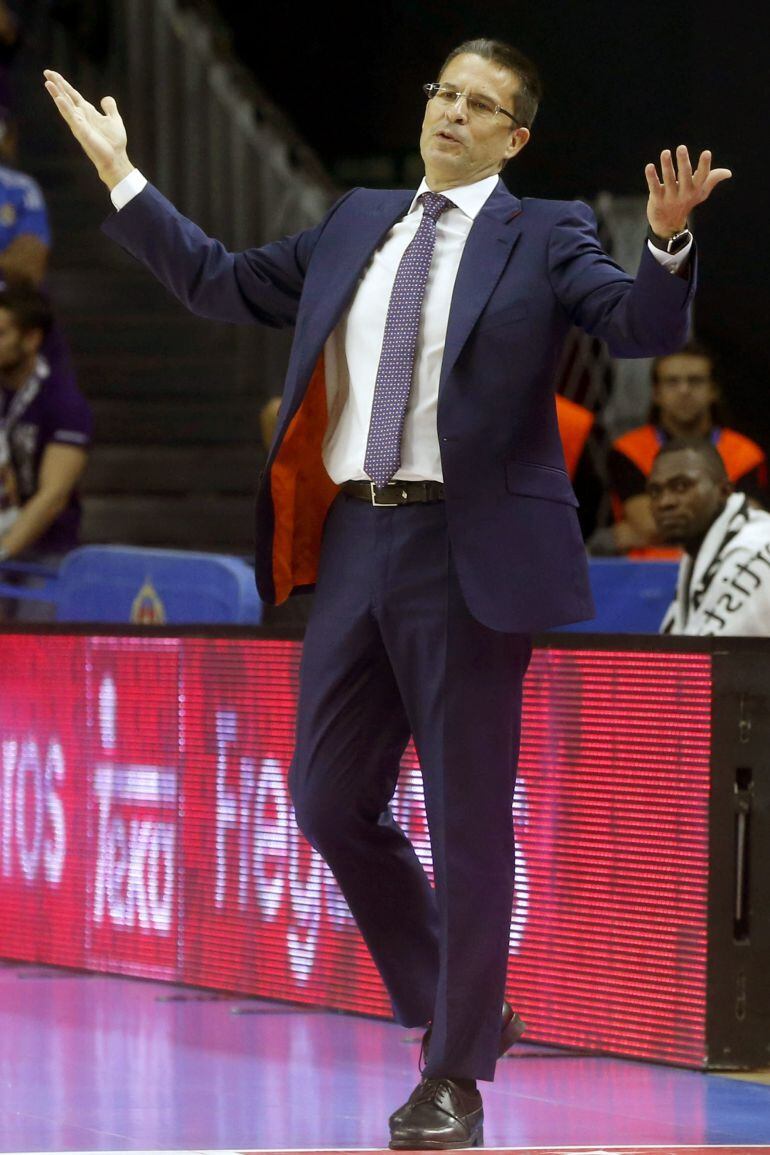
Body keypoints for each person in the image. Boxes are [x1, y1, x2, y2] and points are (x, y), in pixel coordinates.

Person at [44, 39, 729, 1149]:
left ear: (514, 137)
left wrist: (662, 242)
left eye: (479, 105)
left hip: (468, 551)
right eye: (441, 93)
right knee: (324, 799)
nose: (450, 113)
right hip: (357, 538)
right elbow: (220, 282)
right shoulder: (359, 219)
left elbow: (638, 325)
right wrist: (124, 177)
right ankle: (462, 1008)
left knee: (466, 825)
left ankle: (452, 1075)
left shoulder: (544, 230)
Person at [606, 342, 766, 557]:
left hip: (723, 574)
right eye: (672, 382)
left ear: (713, 391)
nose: (684, 390)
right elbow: (648, 524)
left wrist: (650, 534)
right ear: (656, 393)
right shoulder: (628, 450)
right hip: (646, 577)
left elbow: (750, 525)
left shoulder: (745, 453)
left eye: (695, 381)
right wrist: (720, 520)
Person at [0, 279, 91, 588]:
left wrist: (3, 550)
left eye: (1, 334)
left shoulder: (62, 401)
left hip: (45, 556)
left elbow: (53, 497)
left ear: (32, 339)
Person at [649, 440, 770, 635]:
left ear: (724, 491)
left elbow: (709, 661)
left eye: (681, 486)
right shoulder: (700, 551)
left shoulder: (752, 551)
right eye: (655, 491)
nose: (665, 502)